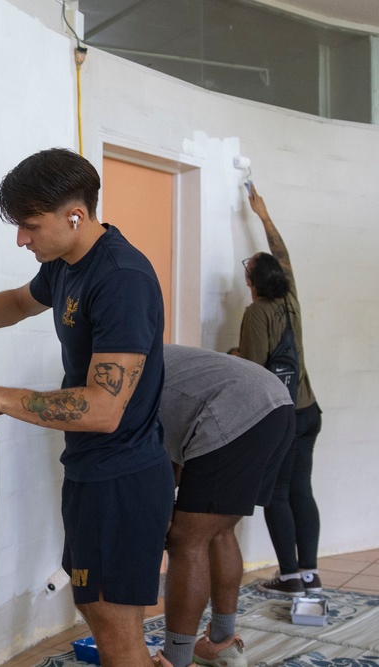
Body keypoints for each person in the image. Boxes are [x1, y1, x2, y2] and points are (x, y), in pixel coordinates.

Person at [0, 148, 173, 667]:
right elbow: (16, 303)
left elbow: (103, 409)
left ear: (74, 216)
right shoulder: (64, 266)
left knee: (118, 636)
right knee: (101, 617)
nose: (21, 239)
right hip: (91, 470)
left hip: (122, 477)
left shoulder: (122, 277)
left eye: (30, 226)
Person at [155, 345, 295, 667]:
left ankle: (175, 660)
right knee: (219, 530)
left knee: (186, 542)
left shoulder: (121, 376)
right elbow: (173, 456)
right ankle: (222, 645)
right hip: (277, 404)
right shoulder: (156, 355)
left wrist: (163, 515)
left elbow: (155, 458)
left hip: (234, 411)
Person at [237, 183, 323, 597]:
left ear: (251, 281)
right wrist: (264, 216)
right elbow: (283, 255)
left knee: (276, 493)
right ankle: (309, 572)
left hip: (283, 416)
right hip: (310, 411)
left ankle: (288, 577)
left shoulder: (256, 313)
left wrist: (232, 353)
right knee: (301, 490)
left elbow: (254, 371)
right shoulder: (292, 298)